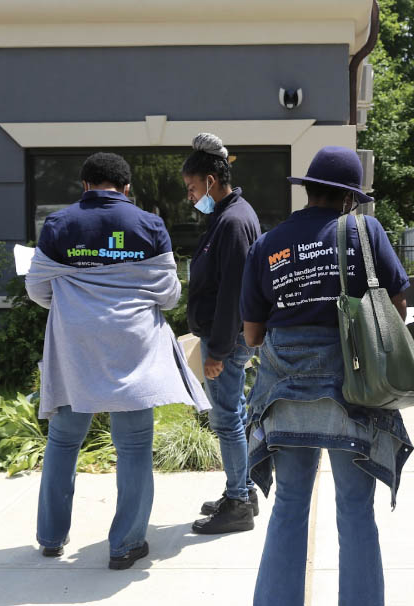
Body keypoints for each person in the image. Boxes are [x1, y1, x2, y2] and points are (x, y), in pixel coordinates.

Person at [241, 146, 414, 606]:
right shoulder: (365, 231)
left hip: (285, 395)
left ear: (310, 190)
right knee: (356, 510)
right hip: (353, 393)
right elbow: (396, 307)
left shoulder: (269, 243)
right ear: (348, 199)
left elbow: (254, 335)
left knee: (290, 505)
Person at [26, 152, 207, 570]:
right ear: (127, 189)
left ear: (84, 186)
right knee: (134, 445)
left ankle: (51, 538)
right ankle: (125, 545)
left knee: (64, 440)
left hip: (75, 348)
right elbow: (169, 294)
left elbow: (37, 288)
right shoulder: (150, 225)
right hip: (134, 347)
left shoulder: (58, 225)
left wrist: (75, 301)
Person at [182, 133, 262, 534]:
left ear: (212, 180)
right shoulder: (230, 215)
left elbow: (233, 292)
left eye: (193, 188)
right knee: (234, 414)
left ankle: (238, 503)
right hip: (226, 339)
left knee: (227, 419)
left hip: (225, 341)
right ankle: (242, 491)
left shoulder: (232, 221)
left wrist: (216, 350)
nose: (191, 197)